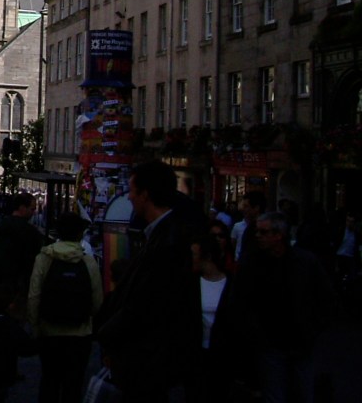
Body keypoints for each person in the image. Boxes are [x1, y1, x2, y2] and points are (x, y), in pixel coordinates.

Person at [96, 160, 199, 402]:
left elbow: (144, 304)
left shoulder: (168, 243)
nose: (129, 197)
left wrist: (106, 334)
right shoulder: (161, 235)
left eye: (132, 191)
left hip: (149, 363)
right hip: (150, 360)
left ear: (145, 195)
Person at [234, 211, 336, 403]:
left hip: (300, 340)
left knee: (302, 392)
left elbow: (326, 297)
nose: (258, 236)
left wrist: (314, 328)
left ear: (278, 235)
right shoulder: (253, 263)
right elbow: (242, 300)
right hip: (270, 341)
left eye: (263, 232)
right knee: (276, 394)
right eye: (257, 231)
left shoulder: (304, 262)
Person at [28, 212, 103, 403]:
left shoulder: (44, 258)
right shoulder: (88, 261)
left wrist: (35, 326)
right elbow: (97, 300)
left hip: (49, 330)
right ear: (80, 234)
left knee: (49, 381)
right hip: (80, 332)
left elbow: (34, 296)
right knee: (73, 385)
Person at [189, 233, 236, 403]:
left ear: (207, 256)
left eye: (194, 254)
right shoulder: (191, 283)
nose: (191, 259)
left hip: (223, 355)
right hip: (196, 354)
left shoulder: (232, 284)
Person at [0, 191, 44, 320]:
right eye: (32, 209)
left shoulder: (1, 225)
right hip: (18, 284)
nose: (34, 212)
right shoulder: (31, 232)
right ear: (22, 208)